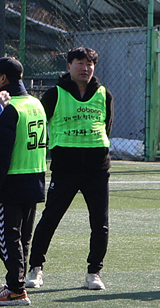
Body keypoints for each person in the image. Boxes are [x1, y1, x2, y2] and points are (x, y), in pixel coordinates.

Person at [25, 46, 112, 291]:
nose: (85, 68)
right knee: (50, 218)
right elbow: (39, 124)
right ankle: (35, 268)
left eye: (89, 64)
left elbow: (107, 127)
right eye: (79, 63)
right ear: (69, 66)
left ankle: (94, 272)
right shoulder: (55, 94)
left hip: (97, 169)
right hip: (65, 169)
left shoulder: (104, 94)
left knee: (100, 223)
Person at [0, 56, 48, 304]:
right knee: (23, 238)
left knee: (8, 239)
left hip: (11, 181)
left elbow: (0, 155)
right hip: (35, 177)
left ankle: (16, 288)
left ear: (3, 78)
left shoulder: (6, 108)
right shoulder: (35, 103)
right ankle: (16, 283)